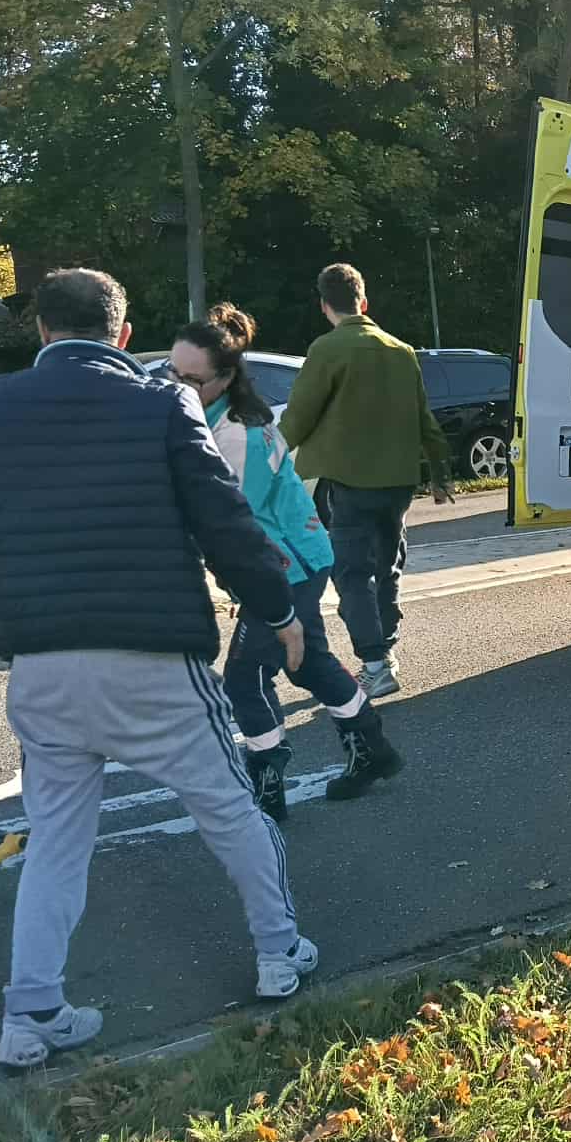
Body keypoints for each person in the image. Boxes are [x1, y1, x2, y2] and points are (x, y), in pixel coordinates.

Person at [0, 268, 320, 1069]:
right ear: (124, 336)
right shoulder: (165, 401)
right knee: (228, 807)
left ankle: (30, 1014)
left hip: (43, 665)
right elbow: (222, 520)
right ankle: (278, 949)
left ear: (43, 332)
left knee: (55, 839)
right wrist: (281, 611)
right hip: (155, 654)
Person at [170, 304, 403, 817]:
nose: (180, 387)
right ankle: (374, 750)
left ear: (226, 378)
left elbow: (234, 525)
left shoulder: (234, 436)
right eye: (172, 373)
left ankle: (267, 784)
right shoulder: (212, 419)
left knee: (245, 678)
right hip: (293, 556)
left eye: (193, 379)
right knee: (308, 662)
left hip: (284, 565)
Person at [279, 263, 454, 701]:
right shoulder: (401, 350)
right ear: (364, 301)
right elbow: (424, 420)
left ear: (324, 305)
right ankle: (387, 653)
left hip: (347, 482)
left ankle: (375, 664)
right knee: (387, 564)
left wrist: (270, 460)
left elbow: (298, 416)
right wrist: (440, 474)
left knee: (352, 573)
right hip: (397, 481)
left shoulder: (327, 349)